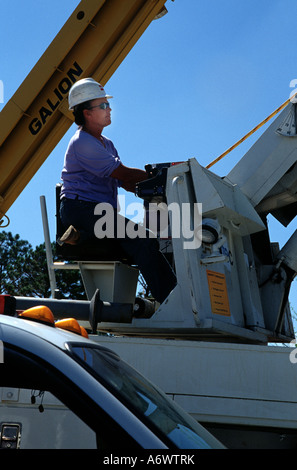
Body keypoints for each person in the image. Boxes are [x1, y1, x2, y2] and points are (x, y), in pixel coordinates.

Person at [59, 78, 176, 304]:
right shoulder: (82, 142)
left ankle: (86, 234)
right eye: (102, 105)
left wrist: (156, 186)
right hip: (81, 209)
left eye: (107, 104)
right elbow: (124, 175)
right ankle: (173, 301)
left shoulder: (106, 143)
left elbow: (125, 182)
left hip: (95, 210)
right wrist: (165, 179)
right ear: (86, 113)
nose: (109, 109)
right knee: (142, 239)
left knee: (138, 238)